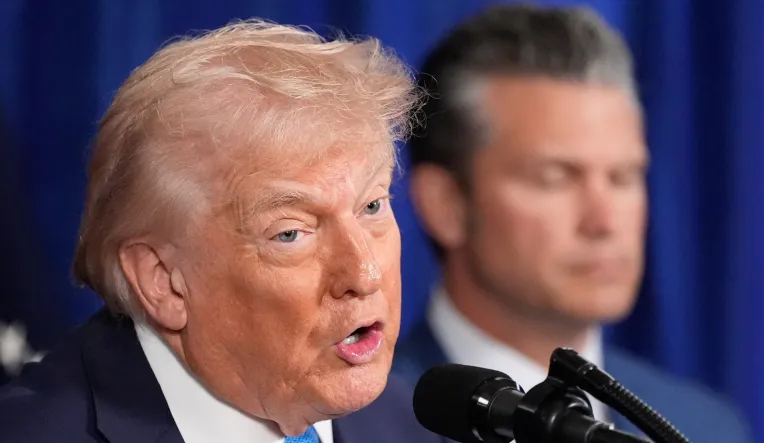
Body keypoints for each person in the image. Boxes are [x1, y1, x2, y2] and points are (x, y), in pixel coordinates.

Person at [0, 20, 445, 443]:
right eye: (290, 234)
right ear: (163, 281)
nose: (365, 274)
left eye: (371, 206)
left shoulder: (415, 425)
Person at [393, 4, 752, 442]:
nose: (604, 222)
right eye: (555, 178)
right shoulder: (358, 422)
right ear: (445, 204)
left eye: (623, 177)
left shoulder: (704, 426)